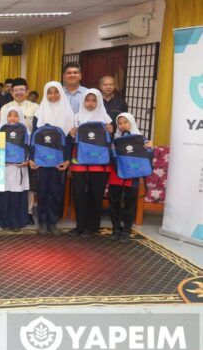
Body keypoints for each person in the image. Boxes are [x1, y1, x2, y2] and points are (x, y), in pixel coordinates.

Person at [30, 82, 74, 235]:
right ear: (45, 94)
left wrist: (67, 160)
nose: (53, 95)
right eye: (49, 92)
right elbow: (33, 139)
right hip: (41, 160)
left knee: (56, 192)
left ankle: (53, 221)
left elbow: (69, 140)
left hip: (59, 160)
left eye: (56, 92)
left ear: (61, 93)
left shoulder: (68, 114)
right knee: (42, 191)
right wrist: (31, 158)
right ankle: (42, 221)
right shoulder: (39, 114)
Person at [67, 89, 113, 239]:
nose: (90, 103)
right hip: (79, 161)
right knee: (79, 194)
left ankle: (92, 226)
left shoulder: (106, 120)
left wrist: (111, 131)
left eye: (94, 100)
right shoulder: (76, 117)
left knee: (96, 193)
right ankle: (80, 226)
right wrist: (72, 134)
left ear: (99, 102)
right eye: (87, 100)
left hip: (99, 163)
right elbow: (71, 140)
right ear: (83, 101)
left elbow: (112, 141)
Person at [0, 77, 40, 224]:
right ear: (11, 92)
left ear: (27, 91)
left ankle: (28, 212)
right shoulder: (5, 108)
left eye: (22, 90)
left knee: (28, 184)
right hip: (9, 153)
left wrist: (30, 156)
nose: (19, 93)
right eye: (16, 90)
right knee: (9, 184)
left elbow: (37, 131)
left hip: (27, 150)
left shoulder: (35, 108)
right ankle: (8, 213)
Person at [108, 113, 153, 244]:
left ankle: (126, 231)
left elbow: (147, 156)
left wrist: (151, 148)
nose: (122, 125)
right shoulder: (115, 140)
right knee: (114, 203)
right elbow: (112, 157)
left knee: (130, 204)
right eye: (120, 123)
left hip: (132, 177)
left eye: (125, 122)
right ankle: (116, 229)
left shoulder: (141, 139)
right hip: (116, 175)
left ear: (131, 122)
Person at [0, 107, 30, 230]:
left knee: (17, 194)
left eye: (15, 116)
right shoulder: (0, 130)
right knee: (4, 194)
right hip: (4, 168)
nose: (12, 118)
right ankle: (4, 222)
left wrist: (26, 161)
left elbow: (28, 147)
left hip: (18, 169)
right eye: (10, 115)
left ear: (20, 117)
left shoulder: (25, 130)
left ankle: (17, 222)